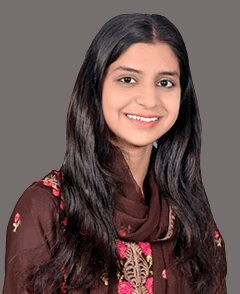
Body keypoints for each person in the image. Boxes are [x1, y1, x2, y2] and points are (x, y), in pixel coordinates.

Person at [3, 13, 227, 294]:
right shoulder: (47, 209)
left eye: (165, 83)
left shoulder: (191, 216)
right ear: (96, 87)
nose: (148, 100)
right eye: (128, 79)